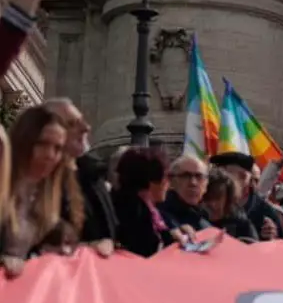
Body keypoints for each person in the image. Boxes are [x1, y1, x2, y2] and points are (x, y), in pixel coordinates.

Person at [2, 105, 83, 274]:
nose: (50, 155)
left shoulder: (47, 198)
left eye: (58, 148)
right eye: (42, 144)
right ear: (23, 141)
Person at [43, 98, 115, 250]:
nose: (86, 128)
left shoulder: (92, 175)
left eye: (82, 121)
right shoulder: (32, 181)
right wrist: (87, 248)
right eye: (72, 124)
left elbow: (111, 233)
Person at [210, 150, 283, 240]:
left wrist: (270, 238)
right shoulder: (205, 203)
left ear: (246, 178)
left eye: (242, 176)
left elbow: (280, 246)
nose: (217, 178)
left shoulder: (265, 211)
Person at [111, 147, 178, 257]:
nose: (169, 184)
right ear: (152, 179)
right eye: (167, 176)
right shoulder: (133, 214)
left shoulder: (149, 209)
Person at [203, 167, 259, 241]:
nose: (212, 204)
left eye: (217, 198)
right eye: (208, 198)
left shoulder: (241, 225)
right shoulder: (196, 218)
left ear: (228, 199)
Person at [162, 154, 212, 230]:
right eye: (185, 176)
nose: (193, 182)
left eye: (199, 176)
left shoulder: (205, 219)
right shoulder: (160, 218)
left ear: (206, 183)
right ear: (171, 181)